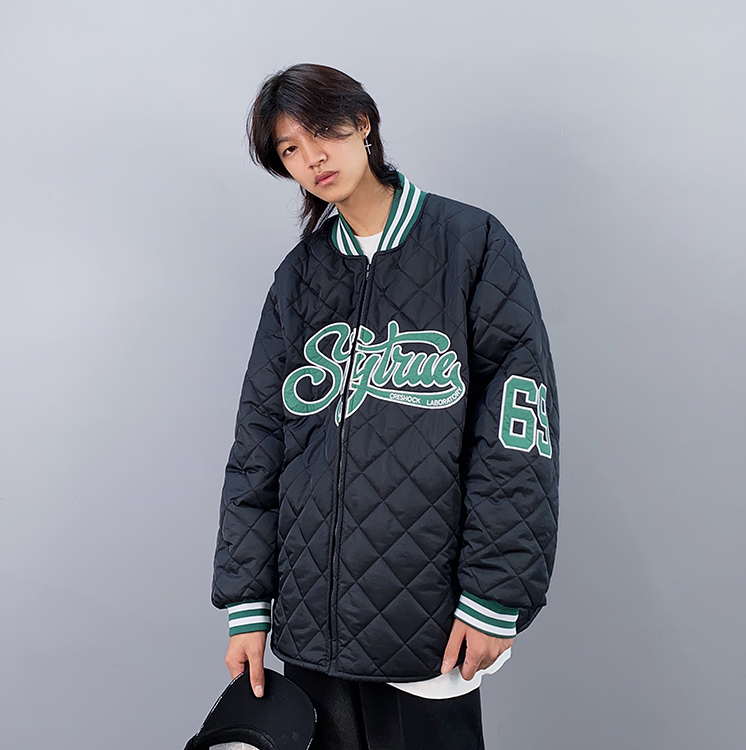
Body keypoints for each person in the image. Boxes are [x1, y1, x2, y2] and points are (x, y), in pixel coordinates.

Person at [210, 63, 560, 750]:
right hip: (310, 623)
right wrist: (247, 605)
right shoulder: (300, 275)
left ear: (363, 123)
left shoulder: (470, 244)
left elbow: (518, 429)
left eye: (323, 132)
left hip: (429, 617)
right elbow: (258, 442)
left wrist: (496, 595)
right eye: (289, 148)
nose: (312, 157)